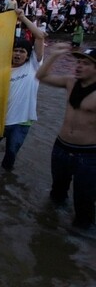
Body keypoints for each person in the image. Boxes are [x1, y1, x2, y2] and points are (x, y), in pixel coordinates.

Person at [0, 9, 46, 171]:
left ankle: (3, 181)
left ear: (28, 55)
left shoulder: (33, 66)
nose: (18, 54)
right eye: (15, 51)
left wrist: (22, 17)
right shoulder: (1, 70)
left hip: (21, 122)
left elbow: (40, 36)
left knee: (10, 155)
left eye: (22, 51)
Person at [36, 45, 96, 229]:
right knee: (57, 193)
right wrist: (54, 56)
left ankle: (79, 240)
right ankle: (50, 228)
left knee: (84, 199)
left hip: (88, 154)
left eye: (85, 64)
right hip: (61, 147)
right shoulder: (70, 82)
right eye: (78, 61)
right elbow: (41, 76)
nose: (78, 66)